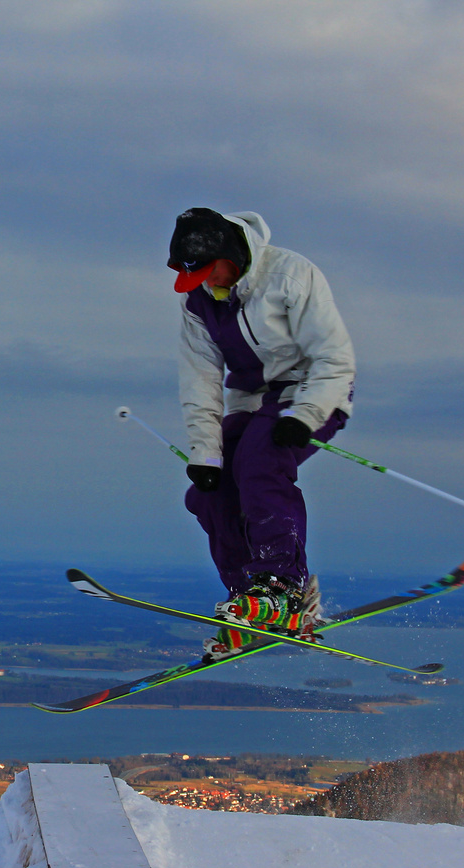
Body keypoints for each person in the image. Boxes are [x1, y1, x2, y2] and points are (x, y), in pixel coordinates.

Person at [168, 208, 355, 658]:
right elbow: (201, 381)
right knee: (208, 493)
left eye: (208, 273)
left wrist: (306, 414)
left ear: (229, 255)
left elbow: (333, 354)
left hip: (314, 391)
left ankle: (282, 586)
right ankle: (249, 602)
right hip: (252, 401)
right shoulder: (198, 304)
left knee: (259, 462)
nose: (205, 286)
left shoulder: (290, 275)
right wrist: (205, 454)